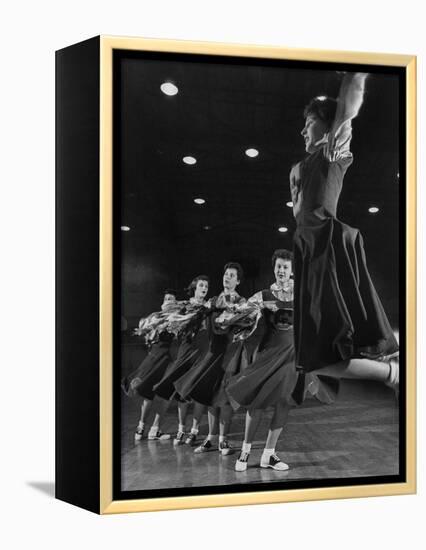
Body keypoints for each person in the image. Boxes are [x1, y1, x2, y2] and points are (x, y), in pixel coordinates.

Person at [290, 72, 399, 390]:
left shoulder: (332, 152)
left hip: (328, 246)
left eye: (309, 122)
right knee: (315, 361)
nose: (303, 129)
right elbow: (299, 212)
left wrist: (358, 72)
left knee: (323, 355)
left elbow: (348, 110)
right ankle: (392, 372)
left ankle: (393, 372)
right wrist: (296, 182)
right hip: (308, 249)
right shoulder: (302, 167)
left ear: (326, 125)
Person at [226, 249, 334, 472]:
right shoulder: (263, 295)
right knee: (256, 404)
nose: (282, 270)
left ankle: (269, 454)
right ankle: (245, 452)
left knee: (284, 403)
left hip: (292, 356)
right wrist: (259, 308)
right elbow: (239, 314)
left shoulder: (302, 293)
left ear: (291, 270)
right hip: (268, 354)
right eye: (279, 267)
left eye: (286, 267)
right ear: (274, 269)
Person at [174, 263, 246, 456]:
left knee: (225, 399)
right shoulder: (213, 301)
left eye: (232, 275)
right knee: (210, 395)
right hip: (213, 353)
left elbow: (244, 325)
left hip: (230, 354)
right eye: (225, 274)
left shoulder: (242, 302)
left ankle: (223, 440)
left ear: (237, 280)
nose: (227, 277)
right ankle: (210, 439)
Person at [153, 275, 210, 446]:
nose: (204, 288)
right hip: (186, 351)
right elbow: (167, 310)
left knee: (200, 394)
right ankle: (181, 429)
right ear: (195, 287)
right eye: (201, 285)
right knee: (181, 393)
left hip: (202, 351)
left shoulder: (209, 306)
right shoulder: (185, 305)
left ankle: (194, 431)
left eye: (206, 286)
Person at [121, 289, 179, 441]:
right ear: (162, 302)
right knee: (148, 394)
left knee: (166, 395)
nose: (169, 301)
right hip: (154, 357)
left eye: (172, 299)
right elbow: (145, 335)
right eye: (167, 298)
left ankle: (156, 429)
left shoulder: (178, 318)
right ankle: (140, 428)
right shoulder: (154, 317)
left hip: (169, 359)